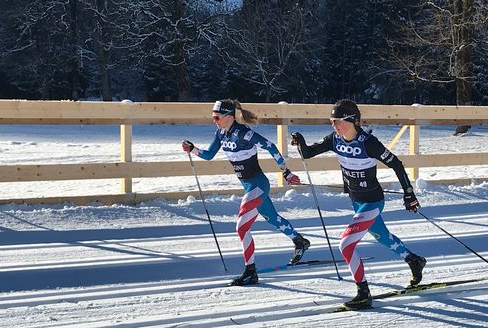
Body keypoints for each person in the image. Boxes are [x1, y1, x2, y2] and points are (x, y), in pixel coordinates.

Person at [290, 99, 426, 310]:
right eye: (331, 121)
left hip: (372, 202)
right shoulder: (334, 139)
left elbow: (396, 164)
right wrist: (300, 142)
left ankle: (363, 293)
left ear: (352, 120)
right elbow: (307, 153)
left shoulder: (368, 142)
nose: (334, 126)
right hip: (356, 200)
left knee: (345, 245)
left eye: (338, 121)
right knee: (382, 236)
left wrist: (409, 193)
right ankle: (413, 260)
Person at [182, 99, 311, 286]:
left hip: (258, 185)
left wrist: (286, 171)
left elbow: (270, 146)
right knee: (272, 218)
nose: (214, 120)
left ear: (229, 116)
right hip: (248, 185)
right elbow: (209, 155)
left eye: (217, 117)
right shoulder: (221, 133)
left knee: (242, 227)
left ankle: (251, 272)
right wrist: (193, 149)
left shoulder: (244, 133)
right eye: (213, 117)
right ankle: (300, 242)